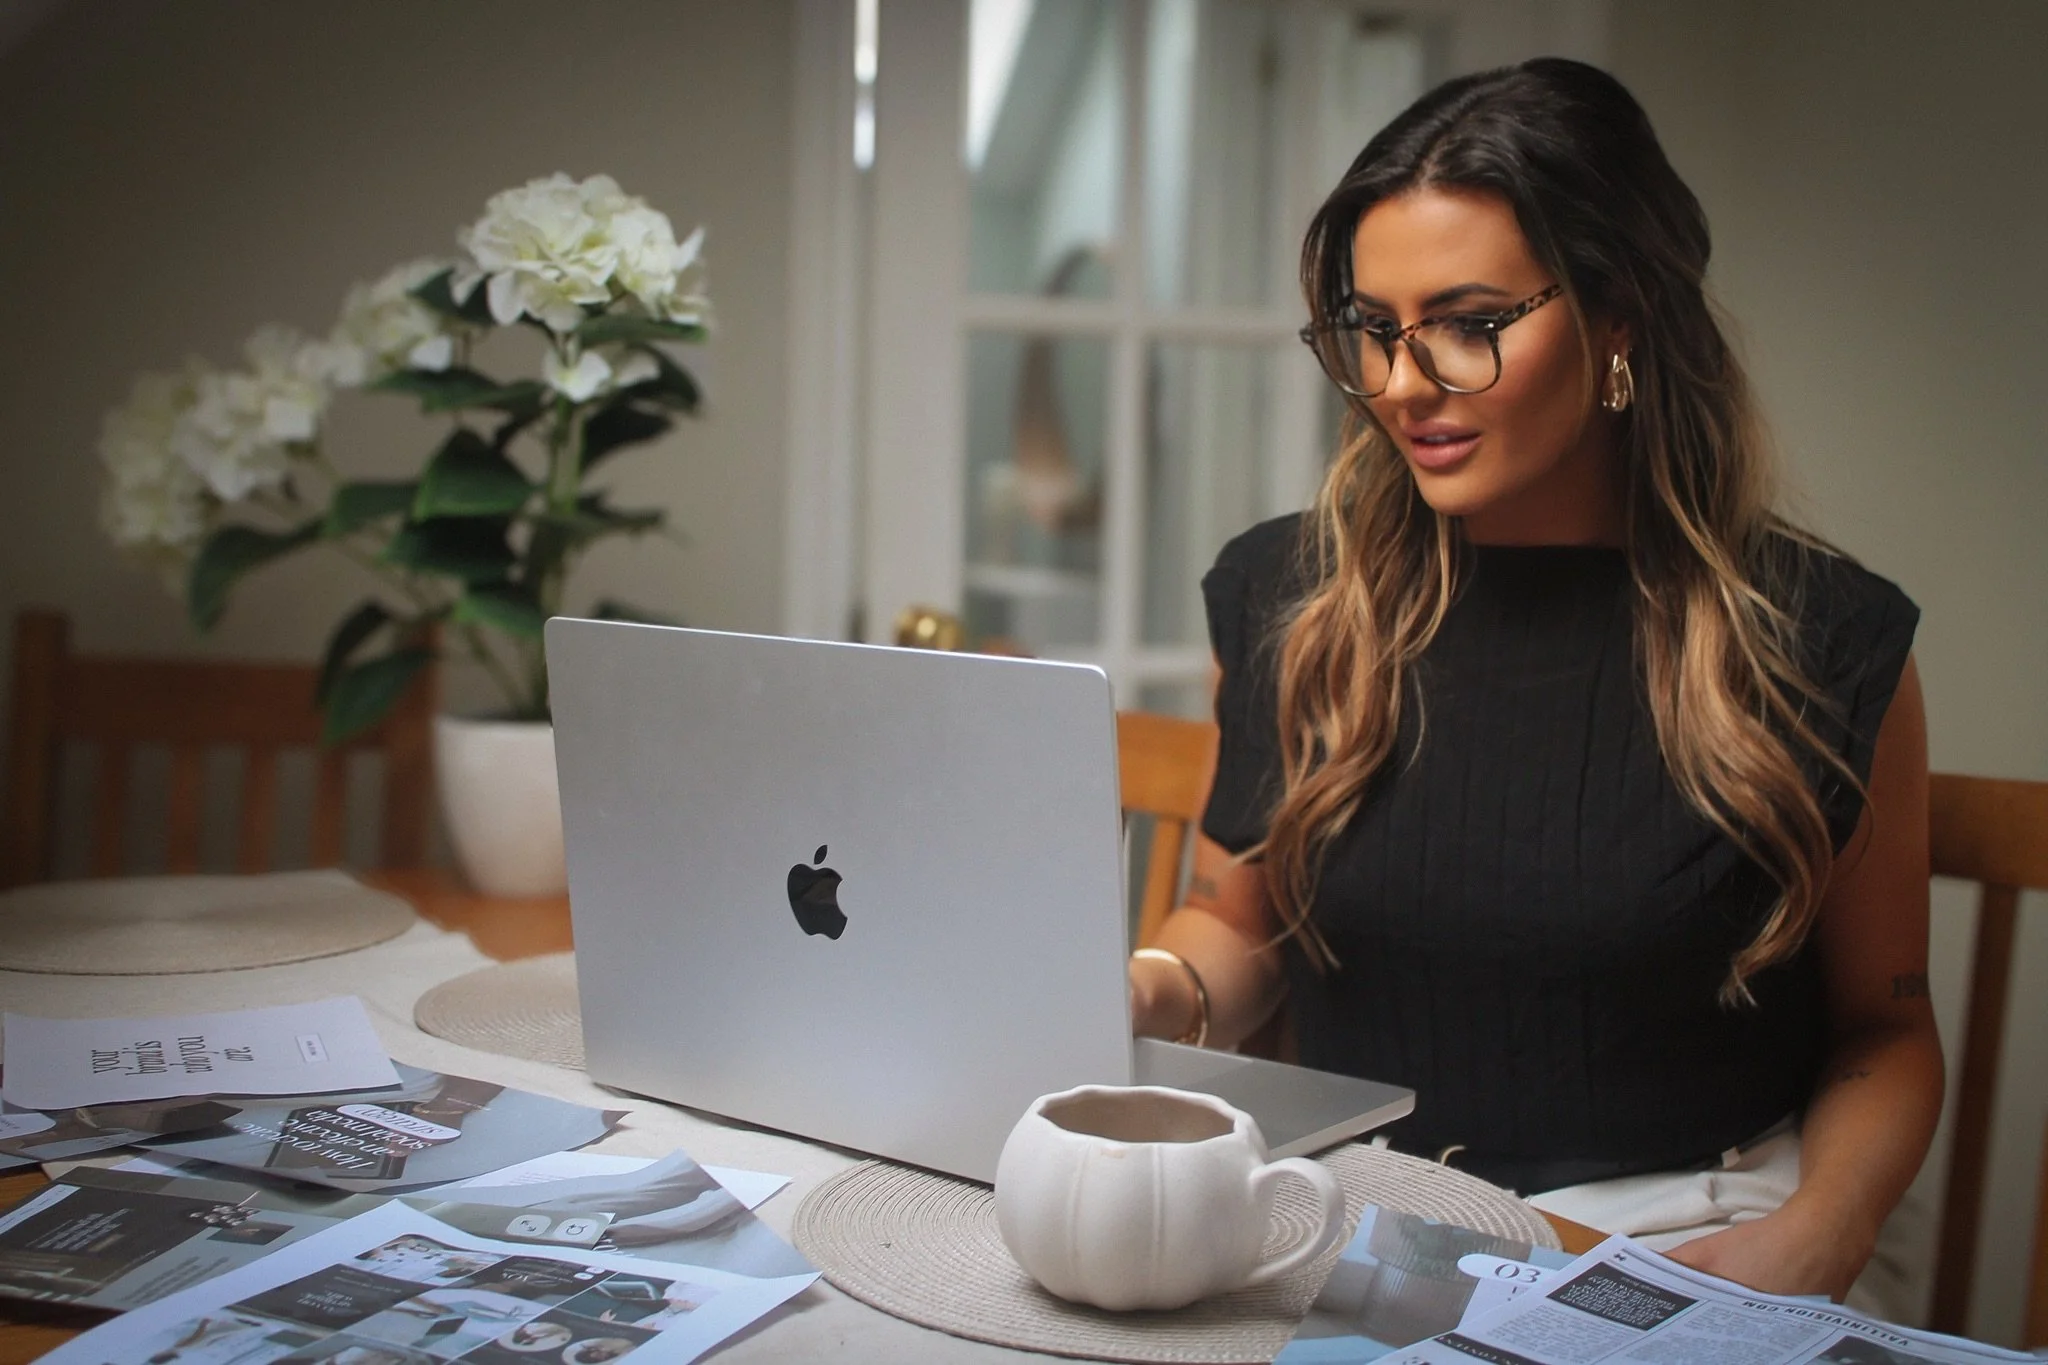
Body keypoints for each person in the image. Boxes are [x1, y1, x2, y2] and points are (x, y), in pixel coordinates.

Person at [1127, 56, 1939, 1309]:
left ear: (1619, 316)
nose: (1402, 385)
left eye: (1465, 323)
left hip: (1689, 1230)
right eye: (1372, 330)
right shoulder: (1295, 599)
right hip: (1362, 1217)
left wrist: (1821, 1235)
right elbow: (1241, 924)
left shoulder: (1819, 640)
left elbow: (1883, 1033)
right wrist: (1152, 990)